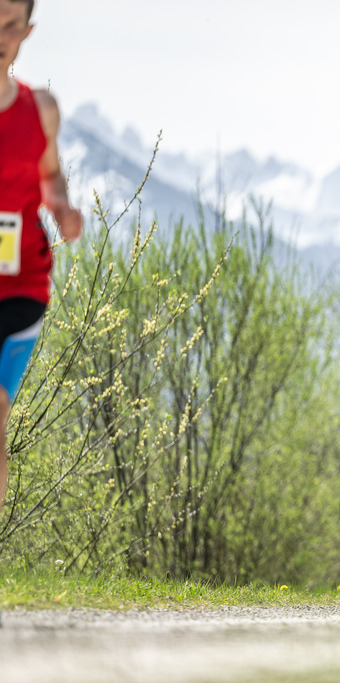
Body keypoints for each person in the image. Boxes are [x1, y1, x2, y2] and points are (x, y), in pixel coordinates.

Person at [0, 0, 84, 515]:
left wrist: (63, 208)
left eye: (10, 25)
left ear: (26, 32)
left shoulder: (40, 109)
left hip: (22, 284)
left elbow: (49, 175)